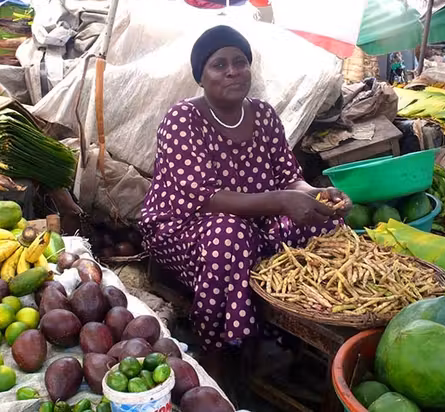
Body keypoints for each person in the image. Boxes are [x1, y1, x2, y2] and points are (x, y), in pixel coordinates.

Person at [139, 25, 352, 352]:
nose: (233, 72)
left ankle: (310, 319)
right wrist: (283, 202)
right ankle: (221, 346)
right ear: (200, 76)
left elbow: (289, 177)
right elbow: (207, 200)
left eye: (240, 62)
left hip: (257, 222)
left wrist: (317, 195)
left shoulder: (264, 115)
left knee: (327, 221)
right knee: (230, 235)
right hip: (185, 226)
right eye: (219, 65)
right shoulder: (184, 119)